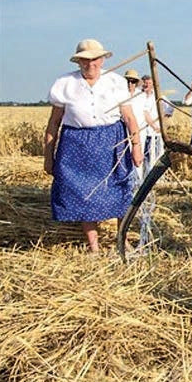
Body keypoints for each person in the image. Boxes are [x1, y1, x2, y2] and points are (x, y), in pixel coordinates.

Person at [44, 39, 143, 253]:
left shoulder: (115, 81)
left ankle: (122, 240)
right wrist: (48, 155)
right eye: (85, 60)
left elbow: (129, 117)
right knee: (82, 193)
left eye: (95, 59)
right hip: (76, 145)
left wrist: (136, 146)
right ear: (78, 61)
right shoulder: (65, 83)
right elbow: (54, 122)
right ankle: (94, 246)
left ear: (102, 59)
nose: (91, 65)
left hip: (112, 141)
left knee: (120, 189)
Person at [140, 74, 163, 168]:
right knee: (144, 157)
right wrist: (153, 125)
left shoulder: (158, 96)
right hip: (142, 132)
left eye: (149, 83)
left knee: (155, 156)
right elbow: (144, 113)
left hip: (155, 133)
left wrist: (161, 124)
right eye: (145, 83)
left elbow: (169, 110)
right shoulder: (139, 96)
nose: (147, 85)